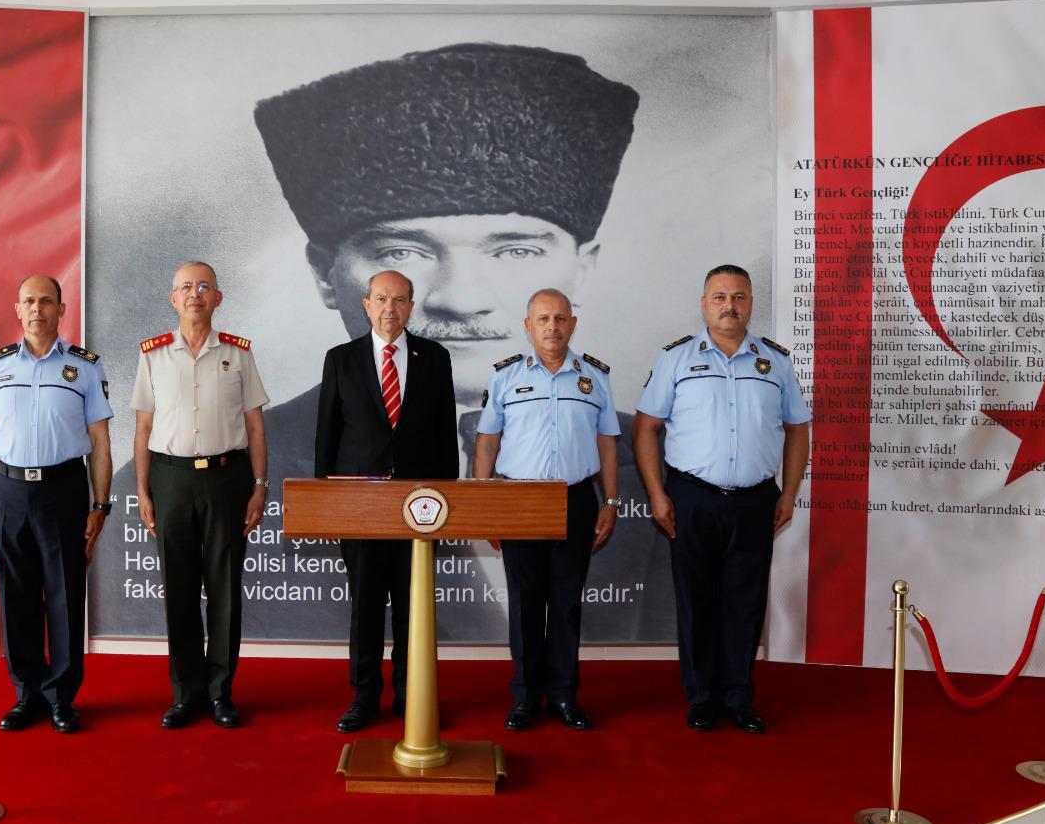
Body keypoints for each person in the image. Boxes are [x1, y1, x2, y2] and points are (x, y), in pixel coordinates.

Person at [255, 41, 676, 646]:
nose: (460, 298)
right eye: (402, 251)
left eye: (516, 251)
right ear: (325, 275)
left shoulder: (663, 465)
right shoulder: (251, 466)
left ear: (581, 272)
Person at [632, 265, 810, 735]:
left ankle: (738, 696)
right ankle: (702, 697)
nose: (729, 305)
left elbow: (797, 430)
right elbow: (646, 427)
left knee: (745, 601)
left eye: (738, 297)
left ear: (750, 302)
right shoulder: (676, 359)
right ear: (704, 303)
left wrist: (790, 493)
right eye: (720, 297)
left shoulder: (775, 362)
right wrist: (657, 493)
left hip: (755, 500)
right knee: (696, 600)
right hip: (692, 497)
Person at [0, 274, 113, 735]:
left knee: (66, 593)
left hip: (63, 490)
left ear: (61, 309)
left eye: (46, 301)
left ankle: (61, 697)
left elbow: (100, 441)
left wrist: (101, 503)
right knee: (17, 595)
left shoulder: (83, 367)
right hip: (7, 490)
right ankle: (26, 694)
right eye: (28, 301)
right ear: (17, 309)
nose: (37, 309)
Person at [315, 269, 457, 732]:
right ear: (366, 304)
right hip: (359, 508)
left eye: (399, 300)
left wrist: (447, 501)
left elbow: (444, 435)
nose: (389, 309)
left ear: (411, 306)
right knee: (366, 606)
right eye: (381, 299)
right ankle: (364, 696)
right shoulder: (341, 359)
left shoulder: (434, 358)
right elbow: (327, 437)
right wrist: (328, 506)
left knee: (414, 607)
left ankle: (412, 694)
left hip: (420, 508)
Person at [473, 288, 620, 731]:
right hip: (519, 502)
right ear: (528, 326)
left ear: (572, 324)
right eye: (543, 319)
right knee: (524, 604)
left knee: (566, 602)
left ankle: (563, 695)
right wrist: (485, 508)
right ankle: (524, 696)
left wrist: (611, 501)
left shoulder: (594, 377)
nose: (552, 327)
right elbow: (487, 443)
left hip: (576, 499)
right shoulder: (505, 376)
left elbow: (607, 444)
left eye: (559, 319)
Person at [132, 261, 270, 729]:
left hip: (226, 480)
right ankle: (186, 693)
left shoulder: (238, 354)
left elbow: (255, 427)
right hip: (170, 480)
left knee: (225, 589)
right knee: (180, 590)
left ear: (218, 298)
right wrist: (143, 490)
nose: (195, 294)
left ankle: (220, 692)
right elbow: (143, 427)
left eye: (204, 286)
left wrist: (259, 486)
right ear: (173, 298)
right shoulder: (152, 356)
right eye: (186, 287)